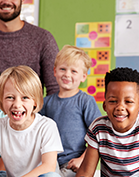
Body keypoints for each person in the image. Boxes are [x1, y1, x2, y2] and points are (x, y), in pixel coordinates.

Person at [0, 65, 63, 177]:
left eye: (25, 98)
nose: (17, 105)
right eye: (10, 97)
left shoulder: (47, 126)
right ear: (1, 99)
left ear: (35, 101)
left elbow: (48, 166)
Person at [39, 45, 101, 177]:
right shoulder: (46, 102)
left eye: (74, 71)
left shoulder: (86, 101)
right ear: (55, 71)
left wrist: (83, 159)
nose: (67, 74)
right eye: (63, 69)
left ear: (83, 76)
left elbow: (98, 134)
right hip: (50, 162)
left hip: (75, 164)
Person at [76, 67, 139, 177]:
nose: (120, 107)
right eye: (113, 101)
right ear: (105, 105)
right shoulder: (98, 128)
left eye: (128, 101)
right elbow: (86, 172)